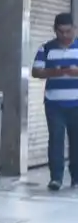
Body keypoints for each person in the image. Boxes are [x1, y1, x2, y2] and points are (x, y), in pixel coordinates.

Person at [35, 12, 78, 191]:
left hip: (76, 103)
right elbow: (36, 71)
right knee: (56, 139)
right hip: (54, 104)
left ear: (74, 29)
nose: (65, 35)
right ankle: (56, 178)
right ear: (55, 30)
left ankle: (76, 177)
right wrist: (56, 72)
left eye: (68, 31)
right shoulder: (46, 49)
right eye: (61, 32)